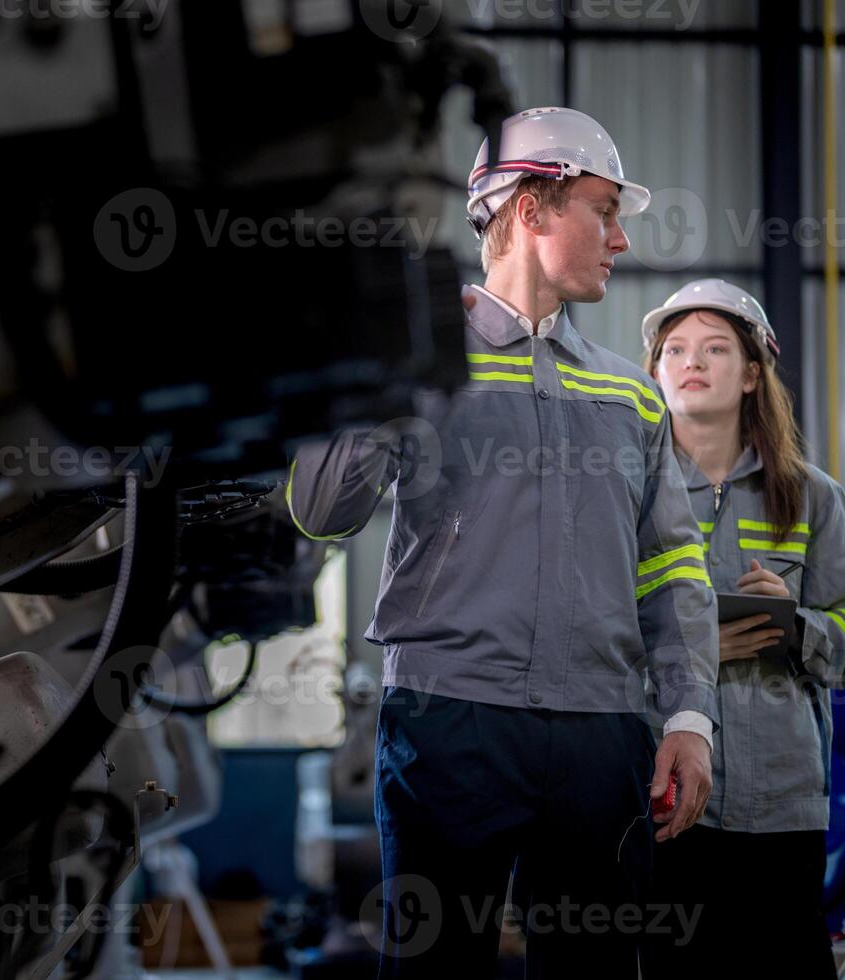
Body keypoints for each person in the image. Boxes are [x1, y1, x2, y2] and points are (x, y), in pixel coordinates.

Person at [286, 107, 720, 979]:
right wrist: (387, 368)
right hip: (452, 724)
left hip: (603, 734)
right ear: (531, 210)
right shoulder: (420, 363)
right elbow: (321, 508)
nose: (620, 239)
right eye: (603, 211)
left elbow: (673, 571)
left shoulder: (630, 397)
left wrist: (688, 716)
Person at [635, 278, 845, 979]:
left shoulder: (810, 496)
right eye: (675, 349)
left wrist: (796, 624)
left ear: (751, 374)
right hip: (665, 792)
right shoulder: (624, 490)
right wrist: (694, 652)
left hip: (782, 800)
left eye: (715, 348)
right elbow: (592, 631)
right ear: (655, 372)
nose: (693, 361)